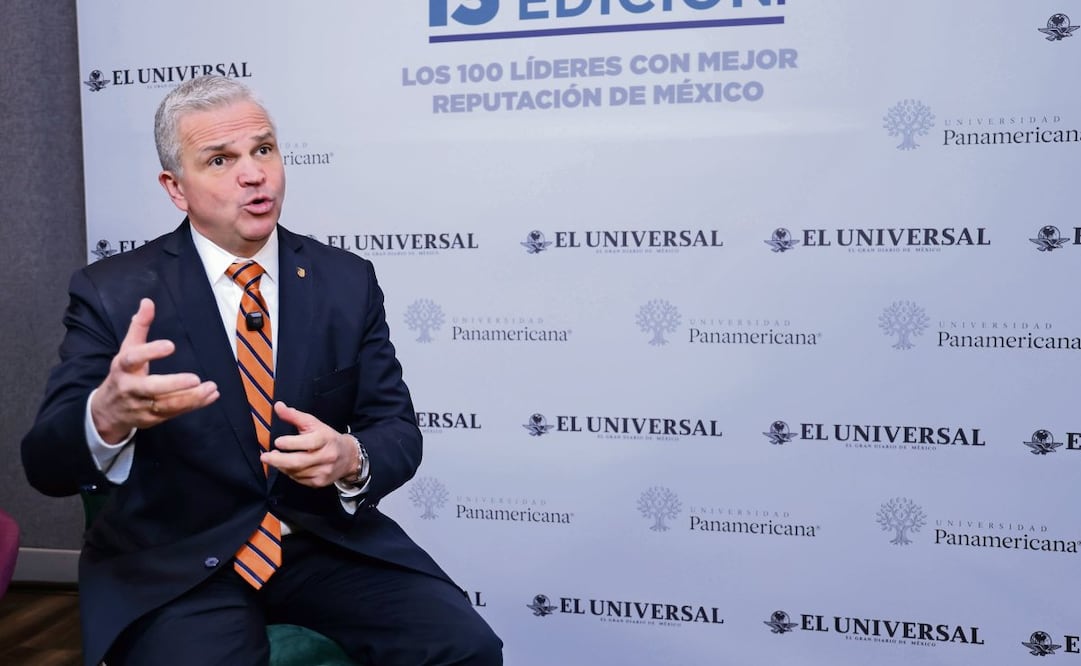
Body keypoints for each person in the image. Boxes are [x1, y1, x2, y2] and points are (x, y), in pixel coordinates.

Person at [21, 75, 502, 666]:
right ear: (176, 188)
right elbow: (45, 464)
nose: (253, 174)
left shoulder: (345, 281)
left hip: (321, 543)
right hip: (179, 562)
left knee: (466, 647)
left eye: (263, 149)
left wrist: (350, 458)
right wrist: (106, 416)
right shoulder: (114, 293)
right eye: (220, 160)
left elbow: (396, 430)